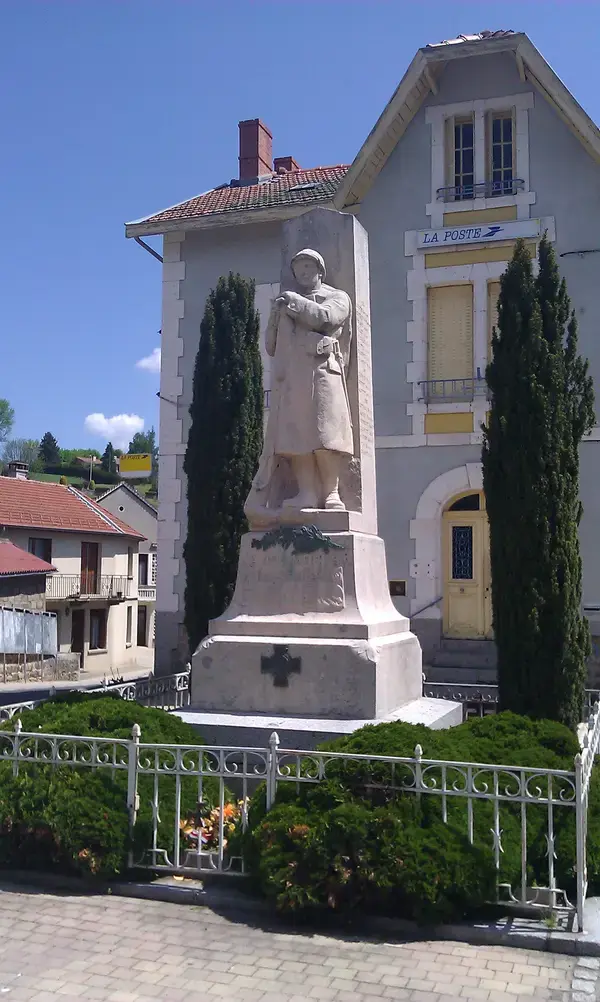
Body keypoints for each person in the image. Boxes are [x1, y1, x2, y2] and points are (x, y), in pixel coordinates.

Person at [246, 249, 354, 517]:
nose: (303, 272)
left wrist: (293, 304)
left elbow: (326, 318)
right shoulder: (287, 303)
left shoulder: (337, 297)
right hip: (294, 377)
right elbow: (271, 345)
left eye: (308, 267)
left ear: (320, 270)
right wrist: (275, 316)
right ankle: (306, 491)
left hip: (324, 371)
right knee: (297, 438)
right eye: (299, 268)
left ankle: (331, 492)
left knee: (326, 435)